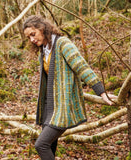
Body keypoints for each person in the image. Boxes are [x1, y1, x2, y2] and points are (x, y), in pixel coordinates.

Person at [23, 15, 117, 160]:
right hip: (50, 107)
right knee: (50, 147)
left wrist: (101, 92)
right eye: (28, 37)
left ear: (42, 28)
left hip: (62, 107)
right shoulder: (44, 49)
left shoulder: (62, 44)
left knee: (40, 145)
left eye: (33, 34)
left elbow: (82, 67)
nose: (32, 40)